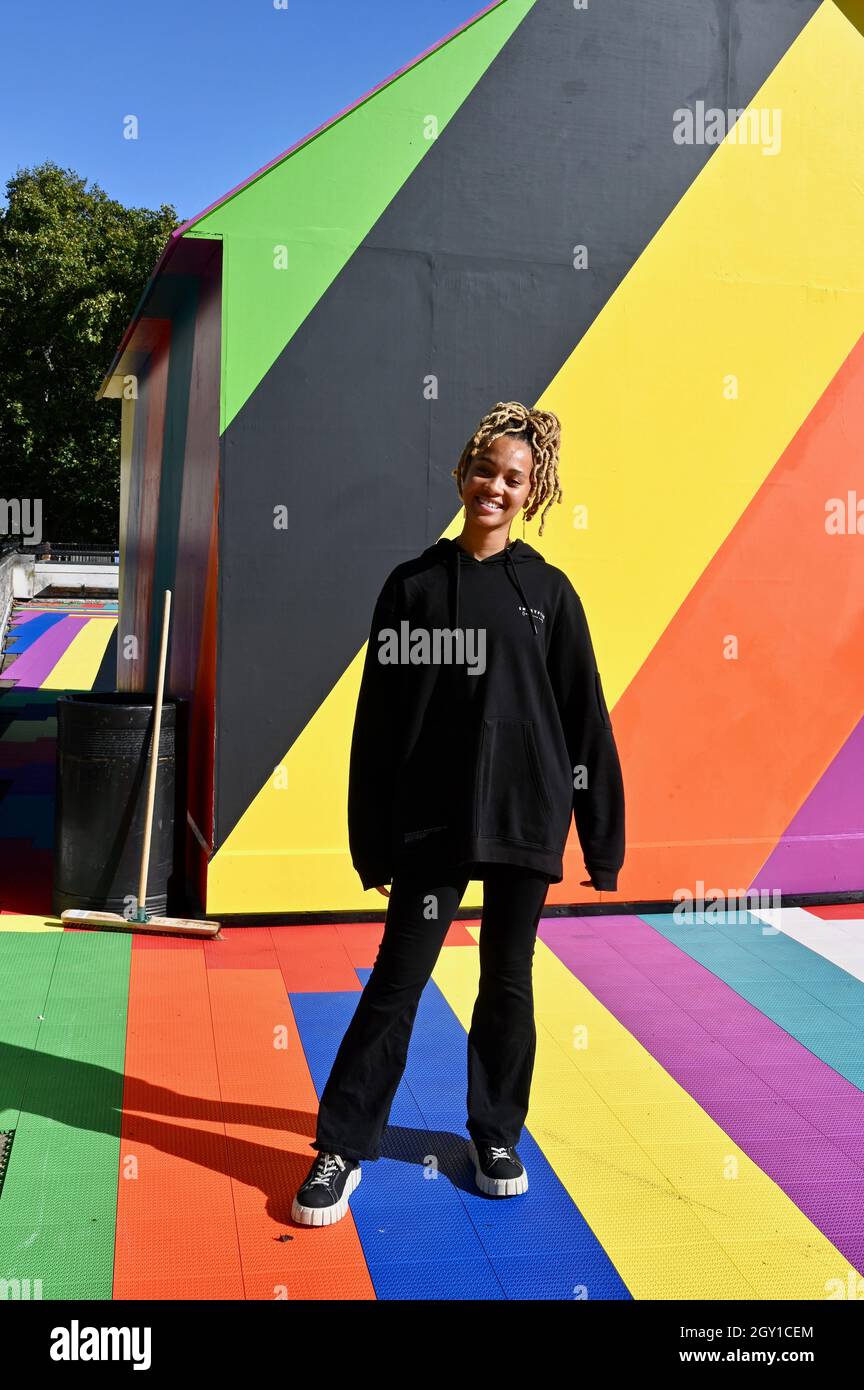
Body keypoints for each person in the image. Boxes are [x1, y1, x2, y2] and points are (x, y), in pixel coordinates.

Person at [292, 401, 625, 1226]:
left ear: (533, 491)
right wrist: (373, 841)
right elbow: (377, 725)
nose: (496, 488)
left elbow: (585, 719)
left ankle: (495, 1133)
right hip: (435, 823)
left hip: (525, 816)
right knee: (398, 982)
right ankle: (342, 1145)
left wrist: (602, 837)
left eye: (514, 478)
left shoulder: (550, 594)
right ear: (462, 474)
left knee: (508, 981)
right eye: (486, 471)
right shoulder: (411, 587)